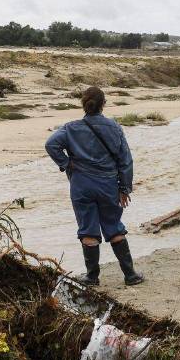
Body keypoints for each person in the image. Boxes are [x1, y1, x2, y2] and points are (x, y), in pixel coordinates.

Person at [45, 86, 144, 286]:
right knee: (114, 227)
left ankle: (92, 277)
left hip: (81, 184)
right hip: (108, 185)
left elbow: (51, 144)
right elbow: (126, 161)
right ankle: (130, 275)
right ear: (103, 104)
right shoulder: (114, 127)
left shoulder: (71, 128)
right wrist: (124, 189)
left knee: (88, 230)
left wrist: (66, 164)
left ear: (83, 104)